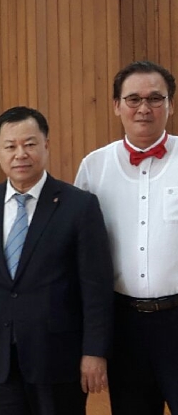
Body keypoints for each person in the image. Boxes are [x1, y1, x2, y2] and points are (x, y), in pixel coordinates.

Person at [0, 106, 113, 415]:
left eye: (30, 144)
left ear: (46, 145)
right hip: (2, 354)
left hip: (59, 355)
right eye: (10, 146)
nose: (20, 154)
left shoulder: (79, 206)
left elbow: (96, 287)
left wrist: (94, 351)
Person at [75, 60, 178, 414]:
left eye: (155, 98)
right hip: (123, 324)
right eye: (133, 99)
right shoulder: (94, 167)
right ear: (117, 105)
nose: (144, 108)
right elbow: (80, 252)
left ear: (170, 105)